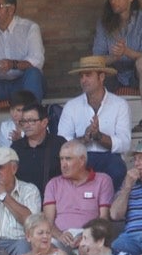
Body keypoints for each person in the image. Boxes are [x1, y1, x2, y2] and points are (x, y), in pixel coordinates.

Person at [93, 0, 142, 132]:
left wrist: (126, 52)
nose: (113, 0)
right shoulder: (104, 23)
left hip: (139, 75)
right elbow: (97, 58)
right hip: (113, 75)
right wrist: (114, 57)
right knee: (93, 71)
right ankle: (96, 124)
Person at [56, 57, 131, 189]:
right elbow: (62, 142)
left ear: (101, 77)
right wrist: (84, 139)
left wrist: (98, 136)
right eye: (81, 76)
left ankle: (108, 208)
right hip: (80, 157)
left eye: (88, 75)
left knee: (117, 168)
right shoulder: (71, 106)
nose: (83, 80)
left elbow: (125, 143)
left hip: (109, 158)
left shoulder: (120, 105)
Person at [42, 141, 114, 247]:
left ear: (82, 160)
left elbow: (103, 218)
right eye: (61, 159)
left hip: (91, 235)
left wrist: (86, 236)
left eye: (68, 159)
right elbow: (48, 221)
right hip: (60, 236)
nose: (63, 164)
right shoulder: (53, 184)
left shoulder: (102, 180)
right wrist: (60, 235)